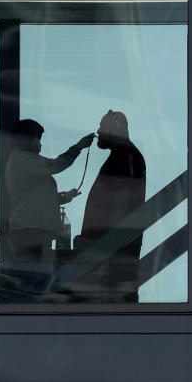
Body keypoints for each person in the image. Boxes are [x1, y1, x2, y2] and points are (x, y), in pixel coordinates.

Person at [75, 110, 146, 302]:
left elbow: (120, 205)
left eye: (102, 126)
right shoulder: (124, 155)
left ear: (115, 129)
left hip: (112, 258)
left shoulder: (125, 156)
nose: (98, 131)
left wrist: (102, 245)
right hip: (111, 255)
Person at [3, 119, 95, 263]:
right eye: (38, 138)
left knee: (37, 274)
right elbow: (58, 164)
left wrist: (65, 197)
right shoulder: (25, 160)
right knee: (38, 273)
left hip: (30, 229)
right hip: (32, 230)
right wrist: (79, 147)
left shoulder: (21, 160)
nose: (39, 143)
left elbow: (37, 197)